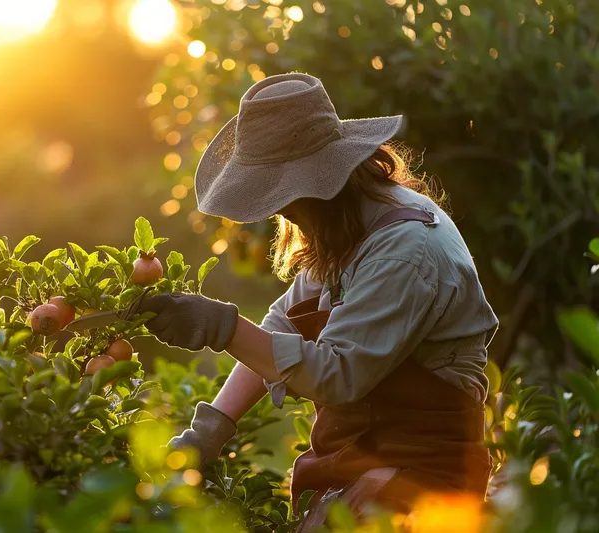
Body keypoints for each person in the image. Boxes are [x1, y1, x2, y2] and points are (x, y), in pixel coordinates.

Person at [139, 73, 498, 524]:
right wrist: (207, 433)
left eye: (286, 200)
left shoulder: (405, 249)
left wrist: (221, 327)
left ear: (323, 183)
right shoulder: (348, 227)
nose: (283, 214)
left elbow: (338, 375)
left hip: (424, 474)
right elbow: (282, 324)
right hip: (360, 459)